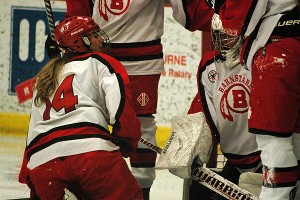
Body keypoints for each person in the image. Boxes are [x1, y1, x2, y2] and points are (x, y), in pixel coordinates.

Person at [45, 1, 165, 199]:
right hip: (95, 54)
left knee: (92, 117)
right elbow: (126, 123)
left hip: (43, 163)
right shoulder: (95, 66)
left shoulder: (50, 81)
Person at [19, 16, 143, 200]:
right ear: (78, 42)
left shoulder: (42, 80)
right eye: (92, 36)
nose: (100, 40)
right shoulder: (99, 61)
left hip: (44, 165)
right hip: (92, 156)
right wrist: (125, 142)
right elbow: (120, 108)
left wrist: (34, 184)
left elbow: (33, 135)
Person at [205, 0, 300, 199]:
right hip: (292, 41)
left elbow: (239, 19)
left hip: (279, 48)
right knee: (296, 139)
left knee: (273, 142)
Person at [186, 13, 262, 199]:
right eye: (220, 34)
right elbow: (204, 112)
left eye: (229, 34)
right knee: (198, 191)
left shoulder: (260, 59)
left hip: (266, 159)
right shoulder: (209, 65)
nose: (224, 40)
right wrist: (189, 145)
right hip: (234, 160)